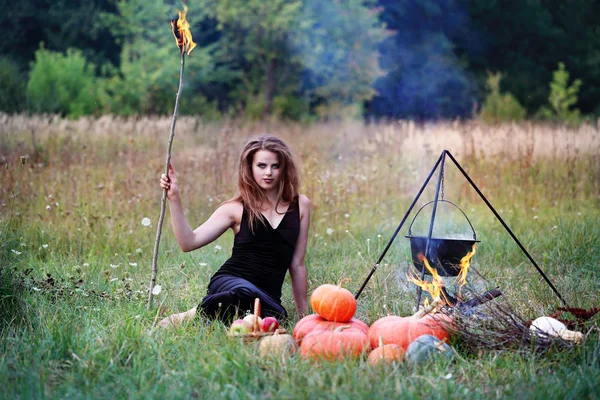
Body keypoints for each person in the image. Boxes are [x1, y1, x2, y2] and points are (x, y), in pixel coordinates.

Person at [158, 134, 310, 327]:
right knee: (243, 294)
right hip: (231, 281)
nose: (268, 172)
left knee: (275, 316)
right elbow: (188, 242)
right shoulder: (235, 209)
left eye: (275, 166)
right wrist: (174, 198)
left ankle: (223, 314)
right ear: (250, 168)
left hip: (268, 296)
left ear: (285, 168)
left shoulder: (300, 205)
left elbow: (297, 265)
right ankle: (189, 315)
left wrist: (304, 316)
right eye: (261, 166)